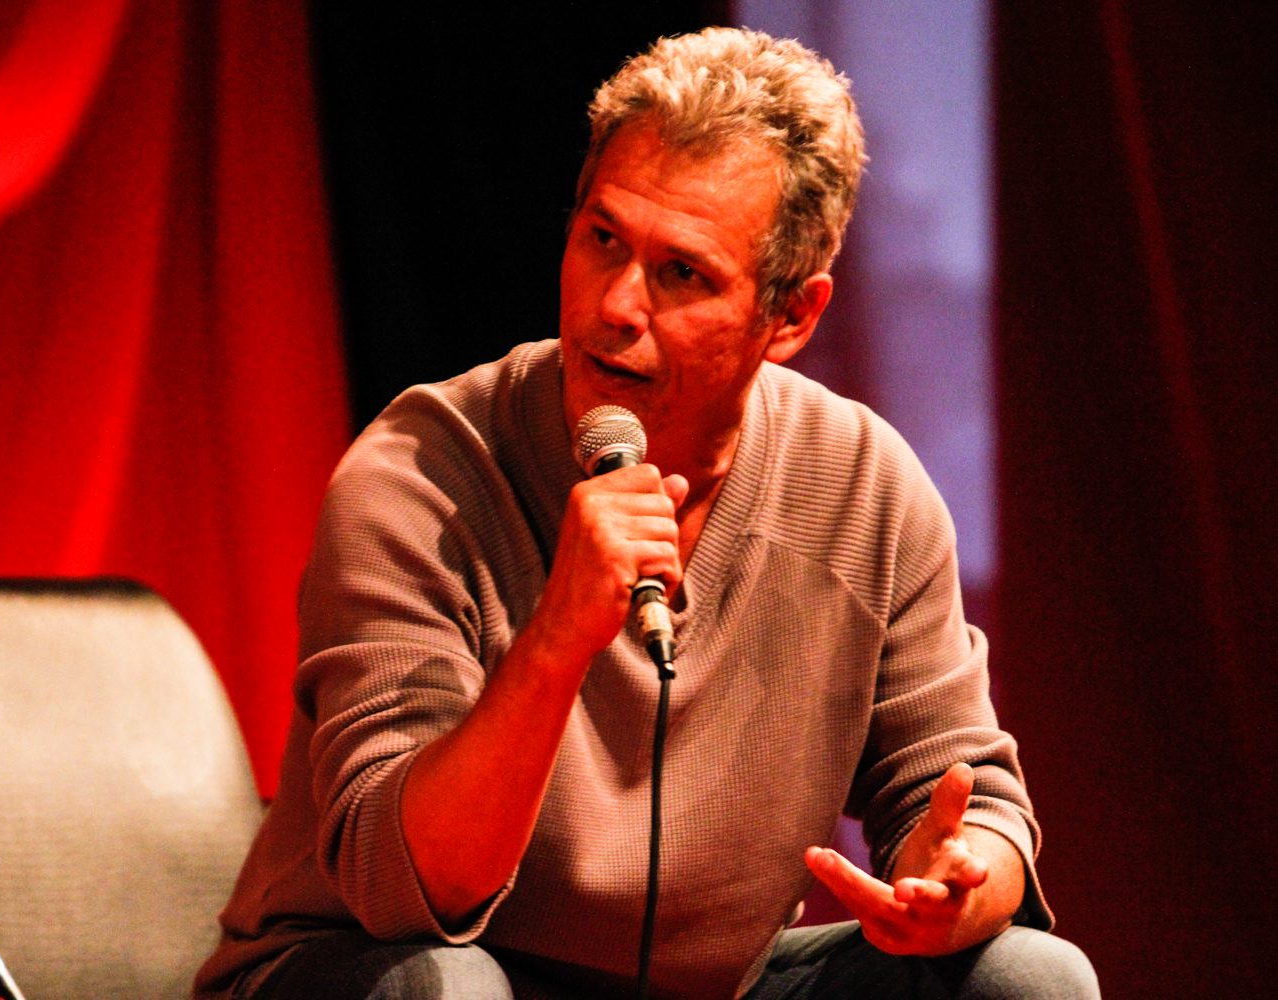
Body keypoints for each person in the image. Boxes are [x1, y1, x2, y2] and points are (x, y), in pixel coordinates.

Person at [196, 27, 1097, 1000]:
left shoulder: (865, 488)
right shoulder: (420, 476)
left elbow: (969, 800)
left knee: (1026, 979)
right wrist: (557, 640)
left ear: (792, 316)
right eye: (603, 240)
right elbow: (407, 890)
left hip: (704, 987)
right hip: (375, 966)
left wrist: (961, 879)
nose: (617, 305)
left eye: (682, 274)